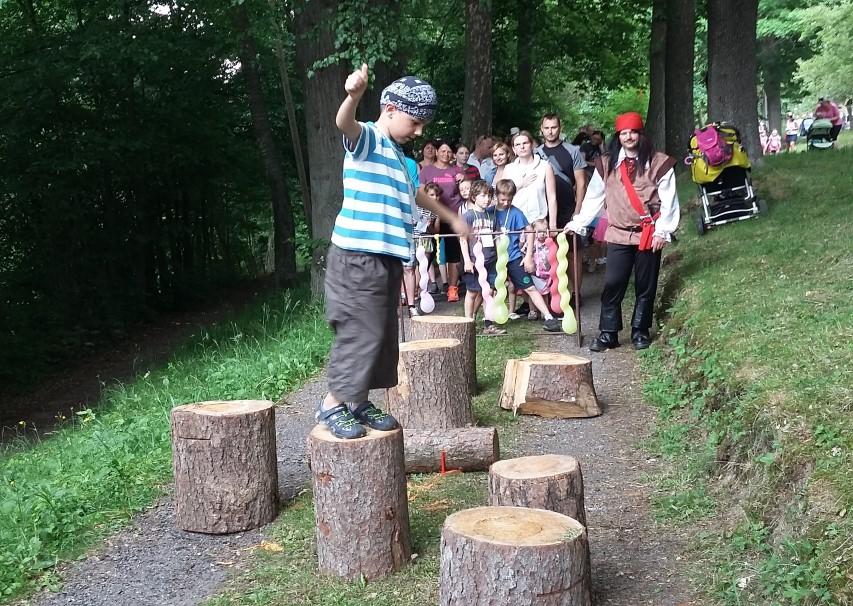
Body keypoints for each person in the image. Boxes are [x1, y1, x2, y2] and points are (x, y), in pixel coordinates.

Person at [321, 65, 468, 439]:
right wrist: (353, 96)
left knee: (384, 333)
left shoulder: (403, 161)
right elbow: (345, 124)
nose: (420, 131)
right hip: (357, 255)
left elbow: (415, 194)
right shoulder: (369, 139)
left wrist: (450, 216)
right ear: (389, 109)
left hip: (386, 257)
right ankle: (331, 405)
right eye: (415, 122)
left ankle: (356, 400)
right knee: (361, 330)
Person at [563, 111, 679, 352]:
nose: (628, 137)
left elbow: (669, 199)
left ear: (640, 134)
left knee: (646, 285)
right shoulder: (606, 163)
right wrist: (579, 221)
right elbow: (595, 196)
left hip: (647, 233)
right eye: (624, 133)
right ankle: (608, 333)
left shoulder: (658, 162)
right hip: (618, 232)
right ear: (619, 136)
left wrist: (662, 231)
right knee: (613, 282)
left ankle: (640, 331)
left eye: (633, 132)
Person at [493, 179, 562, 333]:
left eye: (509, 200)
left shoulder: (516, 212)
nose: (506, 203)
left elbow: (529, 230)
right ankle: (489, 320)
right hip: (495, 259)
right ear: (496, 196)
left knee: (530, 287)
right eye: (503, 199)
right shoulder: (491, 212)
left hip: (514, 257)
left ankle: (548, 317)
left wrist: (528, 255)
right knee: (493, 289)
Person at [459, 180, 505, 336]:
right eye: (483, 195)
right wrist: (466, 260)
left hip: (490, 260)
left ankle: (488, 324)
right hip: (473, 261)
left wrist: (501, 259)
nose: (487, 199)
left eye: (489, 196)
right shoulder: (468, 216)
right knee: (472, 292)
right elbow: (463, 239)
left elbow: (497, 238)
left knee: (488, 291)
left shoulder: (492, 216)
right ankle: (467, 324)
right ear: (473, 196)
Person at [420, 140, 464, 302]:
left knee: (453, 255)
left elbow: (464, 192)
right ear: (437, 152)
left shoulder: (456, 171)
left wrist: (462, 179)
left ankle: (452, 289)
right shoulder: (426, 171)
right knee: (426, 254)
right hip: (431, 218)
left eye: (448, 151)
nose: (446, 154)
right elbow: (421, 193)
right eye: (443, 151)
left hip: (452, 216)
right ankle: (421, 289)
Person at [536, 114, 589, 231]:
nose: (550, 132)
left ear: (560, 128)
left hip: (568, 209)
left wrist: (578, 211)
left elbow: (581, 184)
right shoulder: (536, 154)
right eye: (546, 128)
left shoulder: (573, 151)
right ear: (541, 129)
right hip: (542, 211)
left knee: (569, 247)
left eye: (553, 127)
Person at [503, 130, 558, 225]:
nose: (522, 147)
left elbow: (552, 197)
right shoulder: (508, 169)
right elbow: (502, 196)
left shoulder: (544, 166)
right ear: (513, 149)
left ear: (532, 145)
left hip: (539, 223)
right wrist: (520, 185)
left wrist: (553, 224)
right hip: (514, 223)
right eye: (518, 144)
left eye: (525, 143)